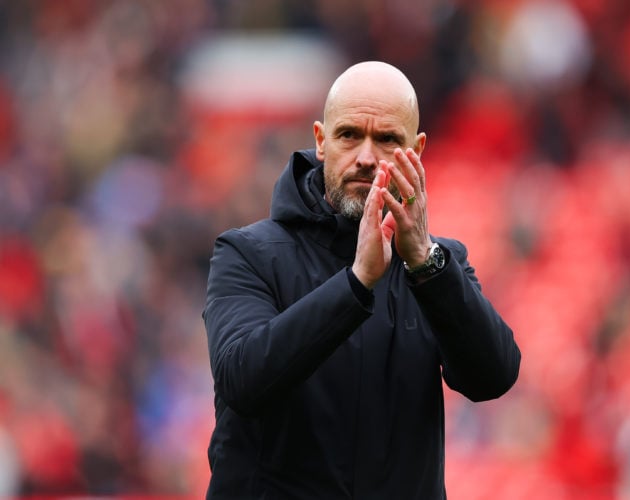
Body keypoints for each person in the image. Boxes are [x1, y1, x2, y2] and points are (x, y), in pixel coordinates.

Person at [203, 60, 521, 499]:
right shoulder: (247, 253)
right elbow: (243, 380)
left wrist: (426, 264)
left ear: (418, 149)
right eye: (349, 135)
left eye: (388, 139)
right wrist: (356, 283)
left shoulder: (438, 265)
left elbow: (494, 377)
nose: (367, 157)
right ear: (320, 141)